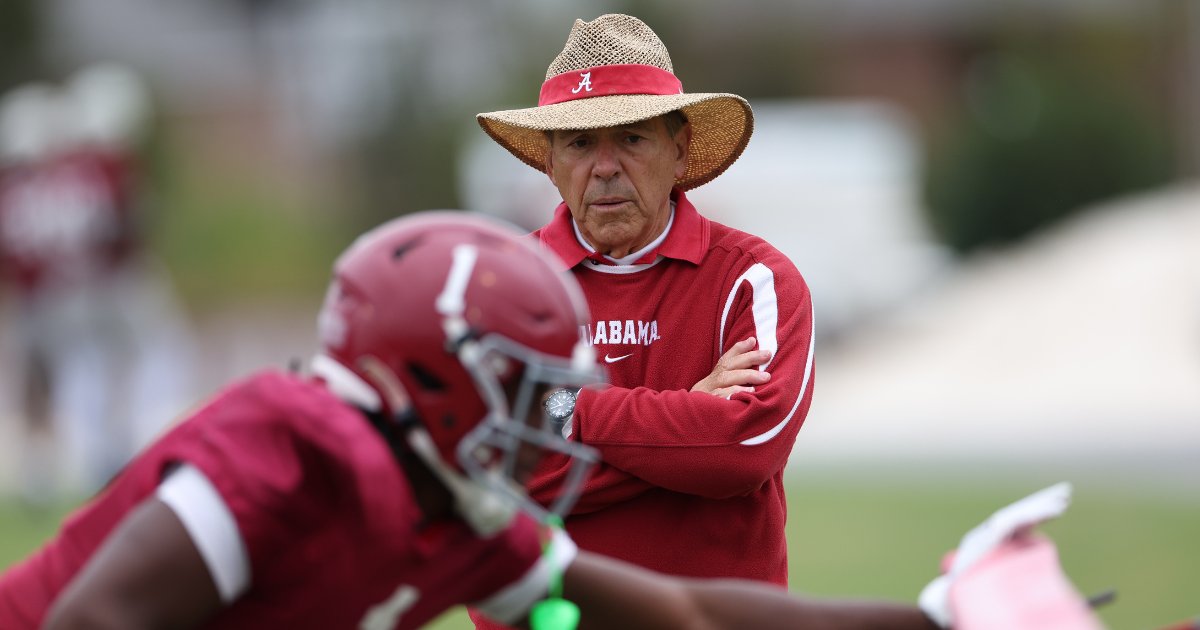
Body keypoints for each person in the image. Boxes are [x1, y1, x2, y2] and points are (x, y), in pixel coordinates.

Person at [0, 212, 949, 629]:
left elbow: (688, 614)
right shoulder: (286, 443)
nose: (554, 422)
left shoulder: (451, 518)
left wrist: (936, 619)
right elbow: (93, 622)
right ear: (436, 373)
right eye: (531, 390)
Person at [472, 14, 815, 624]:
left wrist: (566, 411)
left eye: (631, 138)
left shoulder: (753, 278)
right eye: (580, 144)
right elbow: (484, 489)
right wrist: (688, 410)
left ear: (679, 151)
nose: (604, 167)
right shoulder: (499, 287)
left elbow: (742, 451)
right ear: (549, 162)